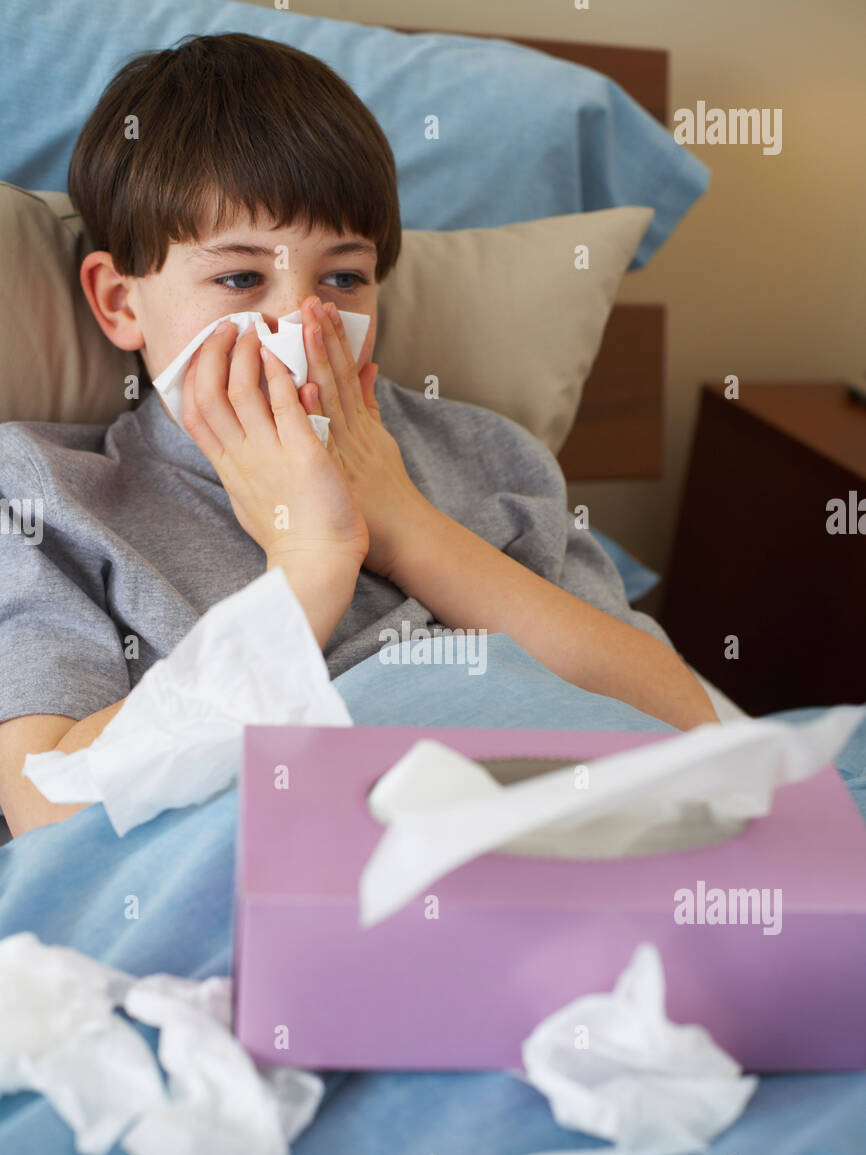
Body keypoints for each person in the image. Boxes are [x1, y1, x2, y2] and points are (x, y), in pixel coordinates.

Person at [0, 32, 718, 838]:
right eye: (240, 278)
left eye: (342, 278)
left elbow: (687, 721)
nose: (301, 323)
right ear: (119, 302)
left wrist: (407, 527)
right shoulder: (46, 497)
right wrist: (308, 569)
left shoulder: (489, 455)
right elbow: (47, 813)